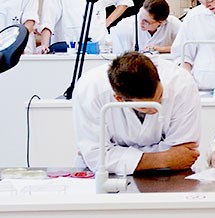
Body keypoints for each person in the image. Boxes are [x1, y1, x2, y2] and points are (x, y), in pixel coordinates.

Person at [73, 51, 201, 175]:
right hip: (102, 177)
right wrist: (164, 159)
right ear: (119, 99)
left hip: (170, 175)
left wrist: (119, 157)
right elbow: (97, 158)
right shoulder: (89, 91)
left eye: (160, 97)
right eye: (145, 107)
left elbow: (184, 152)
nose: (156, 109)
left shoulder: (182, 84)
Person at [110, 0, 181, 54]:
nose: (140, 23)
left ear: (161, 22)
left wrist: (161, 49)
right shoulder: (125, 26)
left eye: (146, 21)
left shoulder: (173, 24)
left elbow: (187, 48)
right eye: (140, 17)